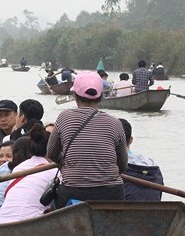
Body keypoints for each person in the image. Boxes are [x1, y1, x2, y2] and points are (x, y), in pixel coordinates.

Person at [47, 71, 127, 207]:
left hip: (73, 192)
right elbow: (123, 164)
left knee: (52, 207)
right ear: (101, 96)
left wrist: (68, 162)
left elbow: (51, 153)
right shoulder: (115, 123)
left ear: (75, 95)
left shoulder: (64, 117)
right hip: (112, 193)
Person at [0, 122, 58, 224]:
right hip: (29, 223)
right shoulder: (54, 172)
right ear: (51, 150)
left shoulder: (19, 168)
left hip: (0, 222)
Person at [120, 118, 164, 201]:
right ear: (131, 140)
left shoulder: (111, 164)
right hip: (153, 210)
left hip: (123, 210)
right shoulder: (151, 163)